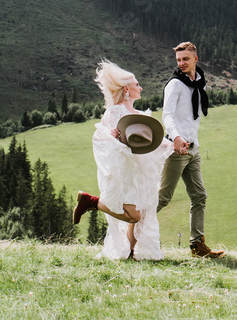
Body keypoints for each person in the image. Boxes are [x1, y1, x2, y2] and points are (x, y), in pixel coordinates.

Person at [74, 59, 172, 260]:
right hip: (125, 173)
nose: (141, 87)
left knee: (142, 215)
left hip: (140, 173)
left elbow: (153, 141)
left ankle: (131, 252)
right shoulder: (115, 111)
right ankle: (91, 202)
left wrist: (174, 145)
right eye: (137, 84)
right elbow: (102, 136)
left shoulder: (138, 114)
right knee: (133, 215)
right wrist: (112, 135)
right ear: (126, 89)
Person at [157, 41, 225, 258]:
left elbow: (191, 118)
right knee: (163, 198)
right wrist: (176, 138)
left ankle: (197, 246)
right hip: (176, 149)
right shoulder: (175, 85)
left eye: (185, 59)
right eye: (178, 60)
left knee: (199, 196)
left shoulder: (199, 84)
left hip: (193, 149)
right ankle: (130, 226)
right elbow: (166, 115)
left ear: (196, 59)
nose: (182, 63)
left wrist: (193, 141)